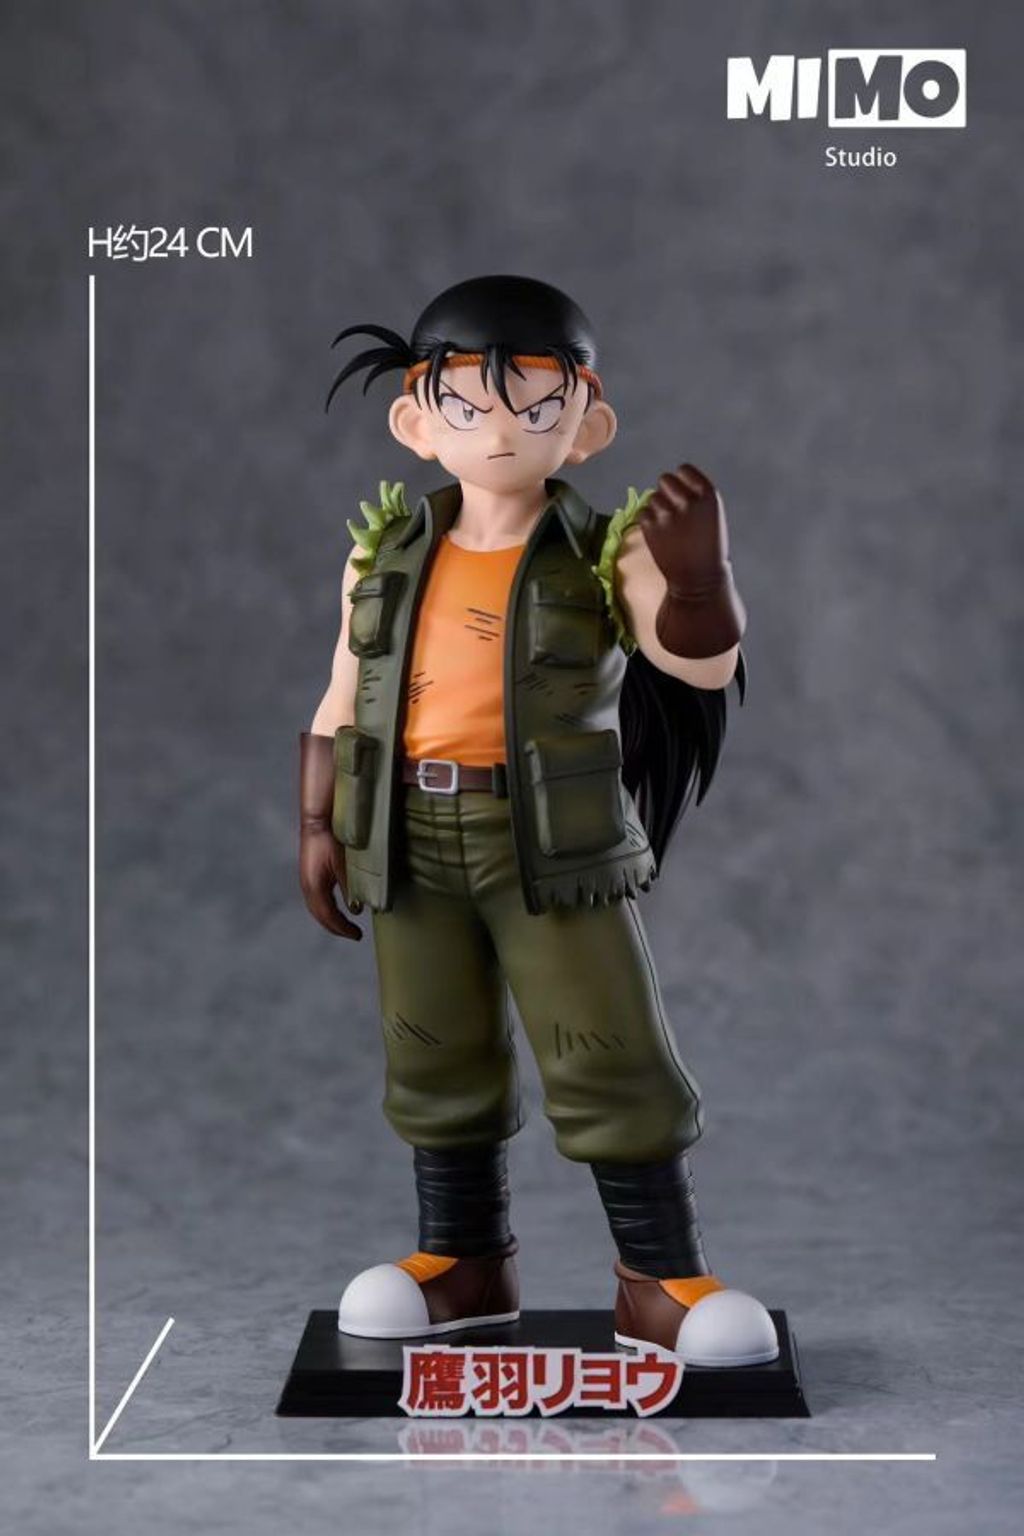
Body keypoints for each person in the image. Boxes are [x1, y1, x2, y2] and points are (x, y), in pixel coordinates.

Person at [299, 274, 777, 1366]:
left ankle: (659, 1278)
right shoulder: (384, 554)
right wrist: (318, 821)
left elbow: (696, 665)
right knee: (434, 1050)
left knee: (606, 1045)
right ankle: (462, 1262)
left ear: (587, 422)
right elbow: (342, 690)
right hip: (406, 837)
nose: (501, 427)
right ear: (417, 422)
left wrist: (700, 584)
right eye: (466, 402)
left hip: (550, 844)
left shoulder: (607, 554)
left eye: (537, 401)